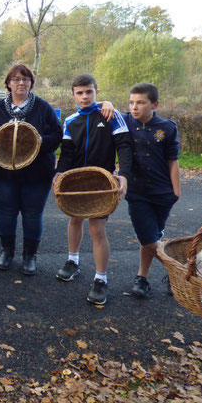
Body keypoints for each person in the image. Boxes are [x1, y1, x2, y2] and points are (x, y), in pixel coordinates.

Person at [54, 73, 132, 306]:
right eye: (80, 92)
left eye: (89, 91)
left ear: (97, 92)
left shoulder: (111, 115)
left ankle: (101, 279)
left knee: (97, 230)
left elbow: (124, 147)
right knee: (75, 219)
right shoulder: (70, 121)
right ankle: (72, 261)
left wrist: (124, 176)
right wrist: (59, 173)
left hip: (102, 183)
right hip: (76, 183)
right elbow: (66, 154)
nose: (85, 96)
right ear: (73, 95)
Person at [0, 64, 62, 275]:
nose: (21, 83)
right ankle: (7, 252)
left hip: (38, 172)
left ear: (31, 83)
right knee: (7, 212)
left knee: (32, 214)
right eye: (15, 79)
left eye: (25, 79)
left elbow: (57, 135)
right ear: (8, 84)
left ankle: (29, 256)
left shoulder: (43, 107)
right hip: (4, 172)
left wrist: (39, 142)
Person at [123, 83, 180, 297]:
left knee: (152, 237)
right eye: (131, 102)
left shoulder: (167, 127)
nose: (134, 107)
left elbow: (172, 161)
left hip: (163, 193)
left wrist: (176, 192)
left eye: (140, 102)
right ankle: (180, 270)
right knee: (148, 239)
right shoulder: (125, 121)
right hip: (137, 192)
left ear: (154, 104)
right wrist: (106, 102)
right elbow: (99, 106)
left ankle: (142, 278)